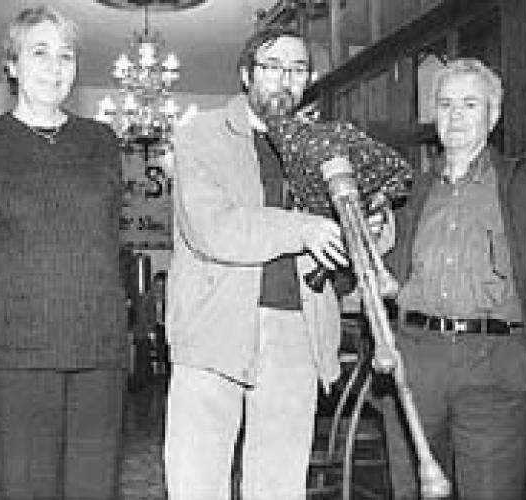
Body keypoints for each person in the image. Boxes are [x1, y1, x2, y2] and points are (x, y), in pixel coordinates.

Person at [382, 58, 526, 499]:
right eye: (446, 104)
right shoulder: (410, 192)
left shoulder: (521, 188)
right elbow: (388, 279)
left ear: (493, 116)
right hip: (417, 363)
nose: (455, 116)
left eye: (470, 104)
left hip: (495, 366)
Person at [164, 26, 351, 500]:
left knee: (279, 485)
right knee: (196, 481)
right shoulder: (200, 134)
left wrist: (369, 220)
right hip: (213, 328)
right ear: (246, 74)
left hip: (297, 331)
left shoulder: (321, 143)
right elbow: (213, 228)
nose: (285, 79)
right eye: (272, 67)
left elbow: (356, 235)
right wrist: (303, 228)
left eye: (297, 69)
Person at [0, 6, 126, 499]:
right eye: (40, 53)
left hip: (99, 349)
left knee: (94, 490)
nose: (54, 67)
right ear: (12, 65)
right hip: (17, 352)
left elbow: (104, 241)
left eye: (66, 56)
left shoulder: (102, 142)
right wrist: (13, 316)